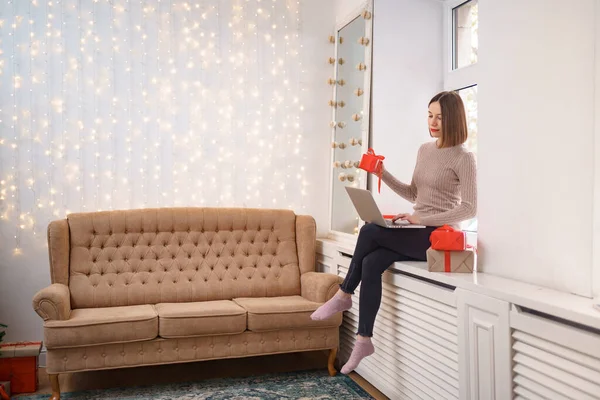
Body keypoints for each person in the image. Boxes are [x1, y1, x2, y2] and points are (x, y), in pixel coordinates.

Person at [311, 91, 477, 374]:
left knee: (369, 231)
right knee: (370, 262)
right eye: (430, 115)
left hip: (440, 235)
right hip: (417, 227)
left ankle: (344, 294)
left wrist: (422, 217)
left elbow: (469, 209)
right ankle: (364, 339)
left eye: (440, 117)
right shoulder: (425, 150)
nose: (433, 122)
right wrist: (382, 173)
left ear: (454, 120)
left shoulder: (464, 157)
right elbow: (413, 193)